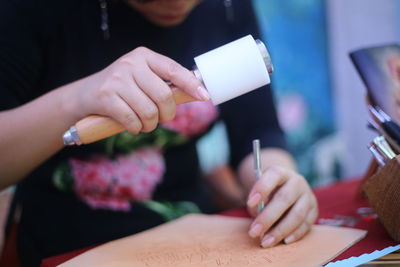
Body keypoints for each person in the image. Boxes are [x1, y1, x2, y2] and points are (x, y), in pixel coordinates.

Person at [0, 0, 318, 266]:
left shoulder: (226, 5)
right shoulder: (34, 9)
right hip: (71, 247)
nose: (176, 3)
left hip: (195, 238)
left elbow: (256, 130)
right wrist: (79, 97)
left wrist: (279, 181)